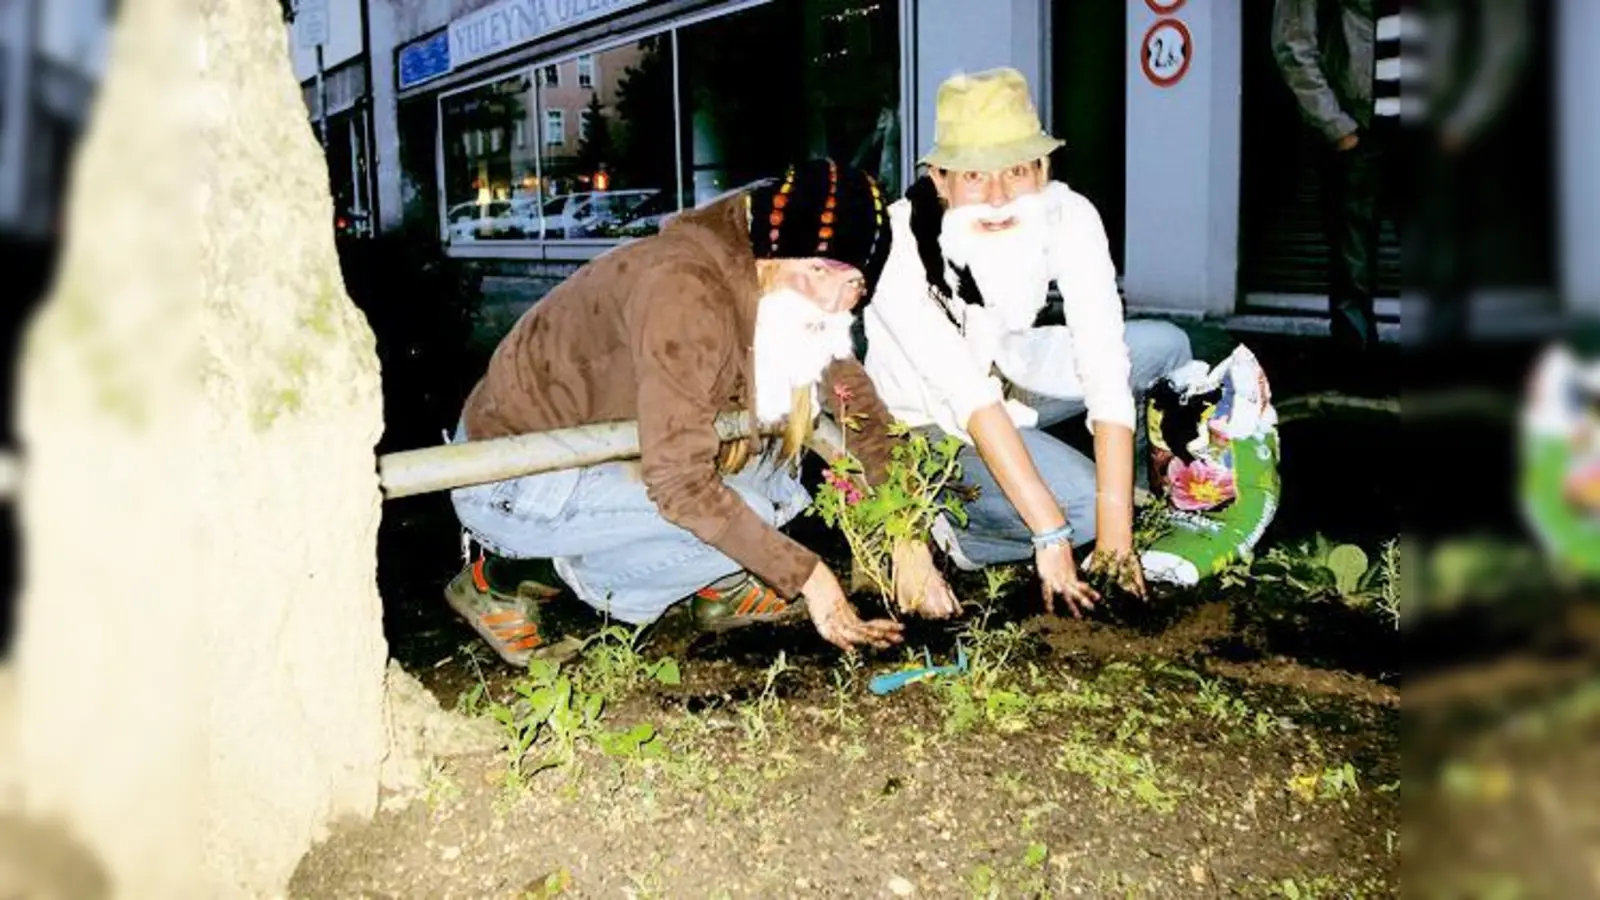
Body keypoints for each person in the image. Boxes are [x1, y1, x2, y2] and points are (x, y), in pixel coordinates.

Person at [444, 159, 958, 667]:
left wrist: (906, 536)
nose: (831, 299)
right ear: (776, 252)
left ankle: (717, 584)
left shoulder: (782, 283)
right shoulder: (685, 288)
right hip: (515, 476)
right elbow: (678, 481)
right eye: (819, 271)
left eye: (854, 285)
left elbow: (859, 410)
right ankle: (526, 585)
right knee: (757, 513)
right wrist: (812, 580)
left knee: (779, 488)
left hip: (610, 449)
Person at [862, 67, 1194, 617]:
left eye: (1016, 170)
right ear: (941, 178)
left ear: (1043, 170)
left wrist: (1118, 531)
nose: (996, 196)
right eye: (974, 176)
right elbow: (966, 395)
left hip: (1013, 372)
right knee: (1078, 509)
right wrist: (1050, 533)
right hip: (932, 420)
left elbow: (1105, 366)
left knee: (1166, 348)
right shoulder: (900, 242)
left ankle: (1129, 520)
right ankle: (963, 537)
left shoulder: (1069, 214)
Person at [1270, 0, 1401, 354]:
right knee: (1351, 266)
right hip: (1360, 130)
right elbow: (1292, 43)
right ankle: (1354, 372)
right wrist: (1337, 125)